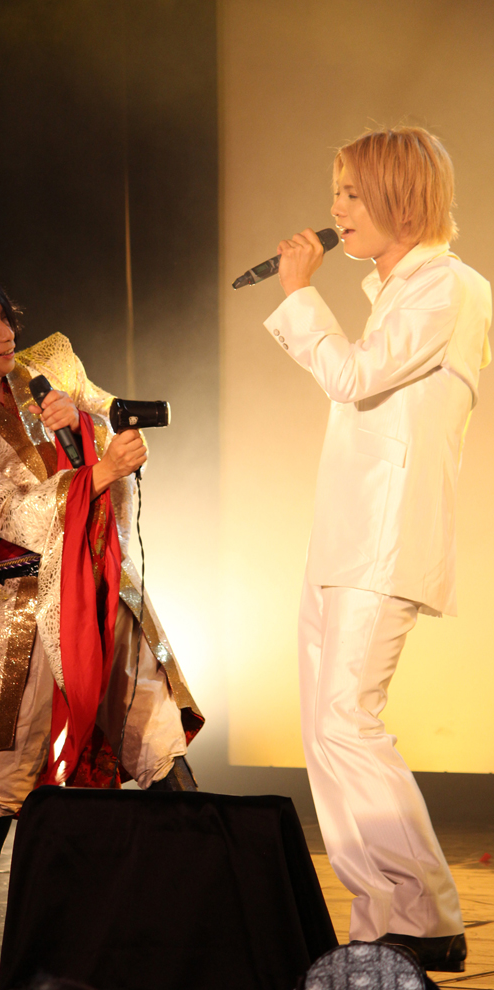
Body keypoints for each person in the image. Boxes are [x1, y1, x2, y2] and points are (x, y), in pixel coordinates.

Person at [0, 254, 203, 964]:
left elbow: (118, 424)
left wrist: (86, 423)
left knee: (157, 735)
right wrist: (94, 467)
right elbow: (16, 515)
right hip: (27, 612)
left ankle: (206, 884)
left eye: (4, 317)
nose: (6, 333)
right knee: (6, 769)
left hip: (103, 588)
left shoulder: (52, 364)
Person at [261, 127, 491, 972]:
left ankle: (425, 914)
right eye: (337, 192)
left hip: (384, 538)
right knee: (326, 732)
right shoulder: (395, 289)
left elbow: (354, 376)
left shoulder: (449, 287)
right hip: (343, 535)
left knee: (348, 721)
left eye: (353, 193)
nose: (336, 209)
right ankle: (383, 911)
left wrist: (298, 294)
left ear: (405, 200)